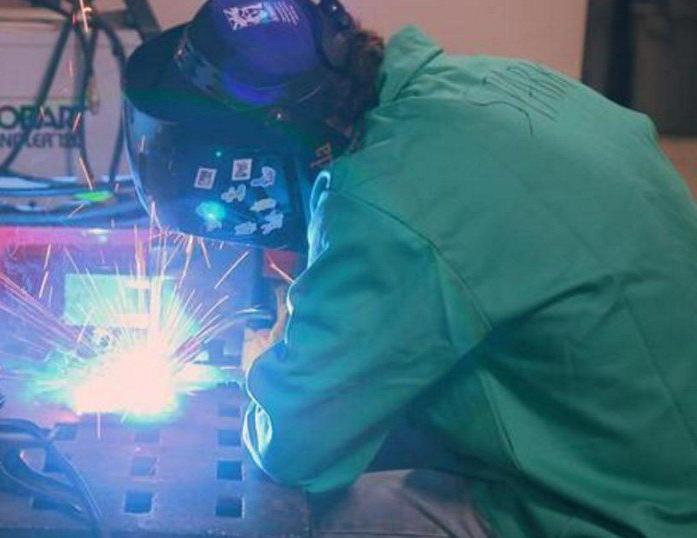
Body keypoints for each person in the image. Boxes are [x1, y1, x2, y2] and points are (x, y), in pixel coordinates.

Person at [122, 1, 697, 536]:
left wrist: (274, 359)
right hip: (647, 443)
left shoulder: (384, 202)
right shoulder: (477, 83)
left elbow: (290, 448)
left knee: (299, 515)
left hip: (622, 513)